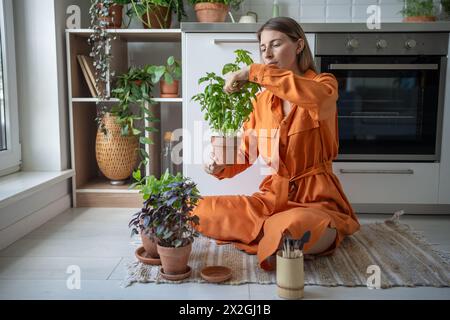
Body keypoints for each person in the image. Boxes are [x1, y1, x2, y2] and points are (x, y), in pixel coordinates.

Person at [194, 17, 360, 271]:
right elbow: (245, 153)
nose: (267, 54)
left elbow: (313, 98)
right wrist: (217, 167)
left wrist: (253, 72)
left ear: (299, 45)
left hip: (316, 201)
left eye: (276, 44)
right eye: (262, 48)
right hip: (271, 200)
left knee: (289, 228)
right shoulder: (262, 103)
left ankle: (276, 234)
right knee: (195, 208)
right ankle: (269, 233)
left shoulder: (324, 86)